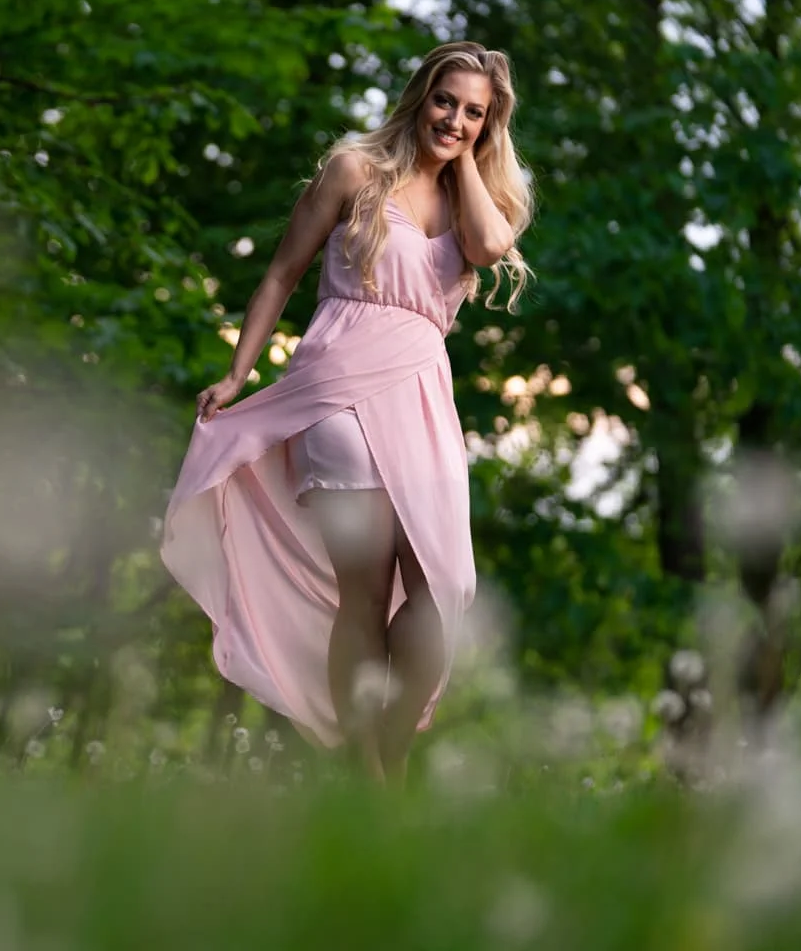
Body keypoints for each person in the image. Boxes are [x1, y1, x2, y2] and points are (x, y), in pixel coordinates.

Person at [160, 42, 533, 784]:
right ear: (419, 95)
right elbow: (281, 272)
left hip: (423, 395)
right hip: (339, 388)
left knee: (445, 589)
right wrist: (239, 372)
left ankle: (385, 751)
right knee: (361, 593)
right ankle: (371, 783)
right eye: (444, 101)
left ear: (488, 126)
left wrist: (463, 162)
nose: (453, 119)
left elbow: (493, 246)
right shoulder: (353, 172)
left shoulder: (473, 201)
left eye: (473, 113)